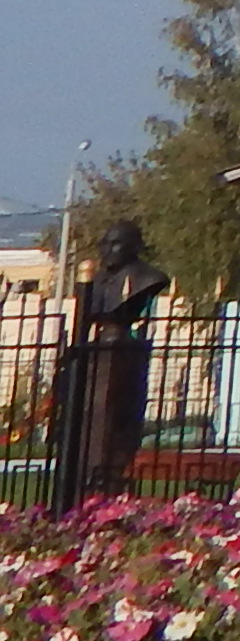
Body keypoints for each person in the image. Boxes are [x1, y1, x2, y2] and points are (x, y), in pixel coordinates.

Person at [53, 218, 170, 511]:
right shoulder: (97, 281)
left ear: (134, 247)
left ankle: (106, 483)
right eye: (104, 243)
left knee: (113, 424)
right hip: (96, 352)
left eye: (115, 243)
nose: (108, 250)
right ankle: (82, 485)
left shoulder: (147, 278)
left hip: (122, 356)